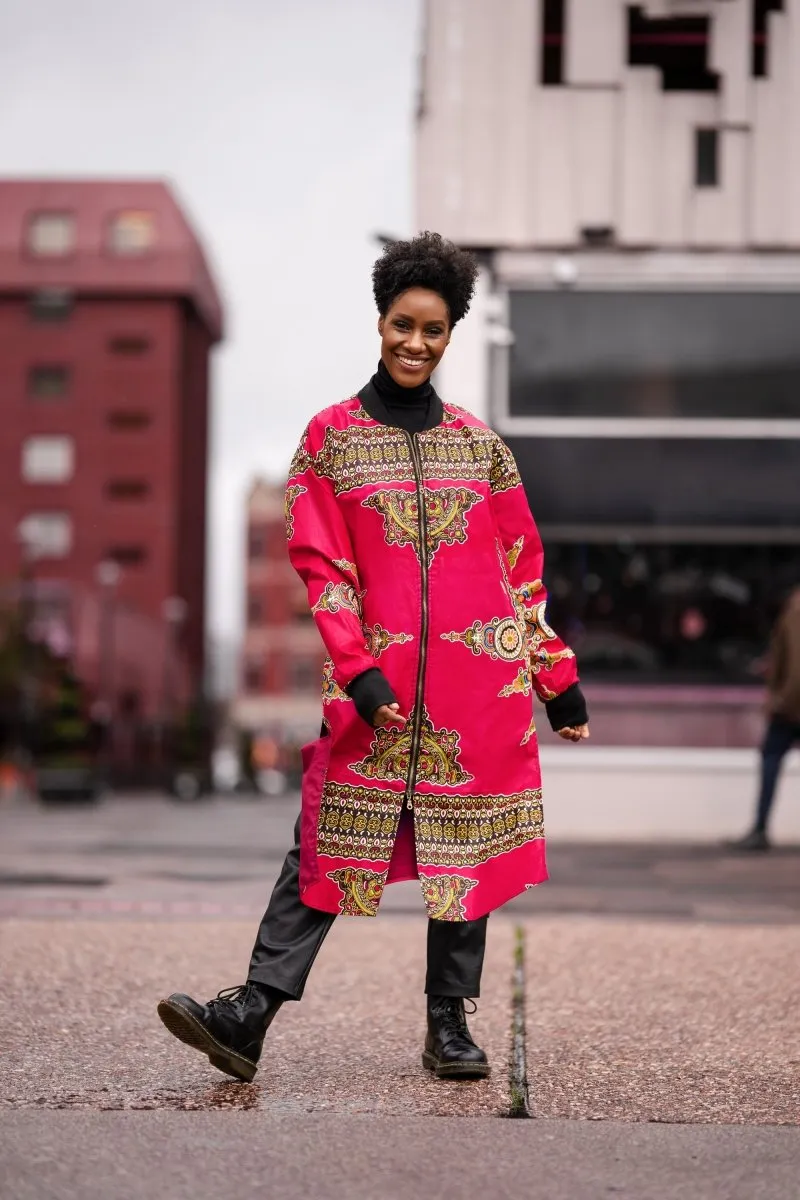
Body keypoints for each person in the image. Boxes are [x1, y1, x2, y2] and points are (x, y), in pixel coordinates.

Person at [157, 232, 589, 1083]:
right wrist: (357, 668)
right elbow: (324, 569)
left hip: (477, 692)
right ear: (380, 321)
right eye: (402, 323)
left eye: (433, 329)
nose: (415, 343)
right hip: (376, 692)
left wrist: (558, 679)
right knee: (323, 838)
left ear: (452, 334)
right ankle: (249, 1013)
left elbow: (521, 572)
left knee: (463, 859)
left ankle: (448, 1024)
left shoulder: (483, 449)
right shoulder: (329, 441)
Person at [728, 586, 800, 852]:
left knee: (770, 760)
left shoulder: (796, 612)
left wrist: (781, 702)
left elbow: (796, 671)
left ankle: (760, 829)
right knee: (769, 760)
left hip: (791, 709)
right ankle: (759, 829)